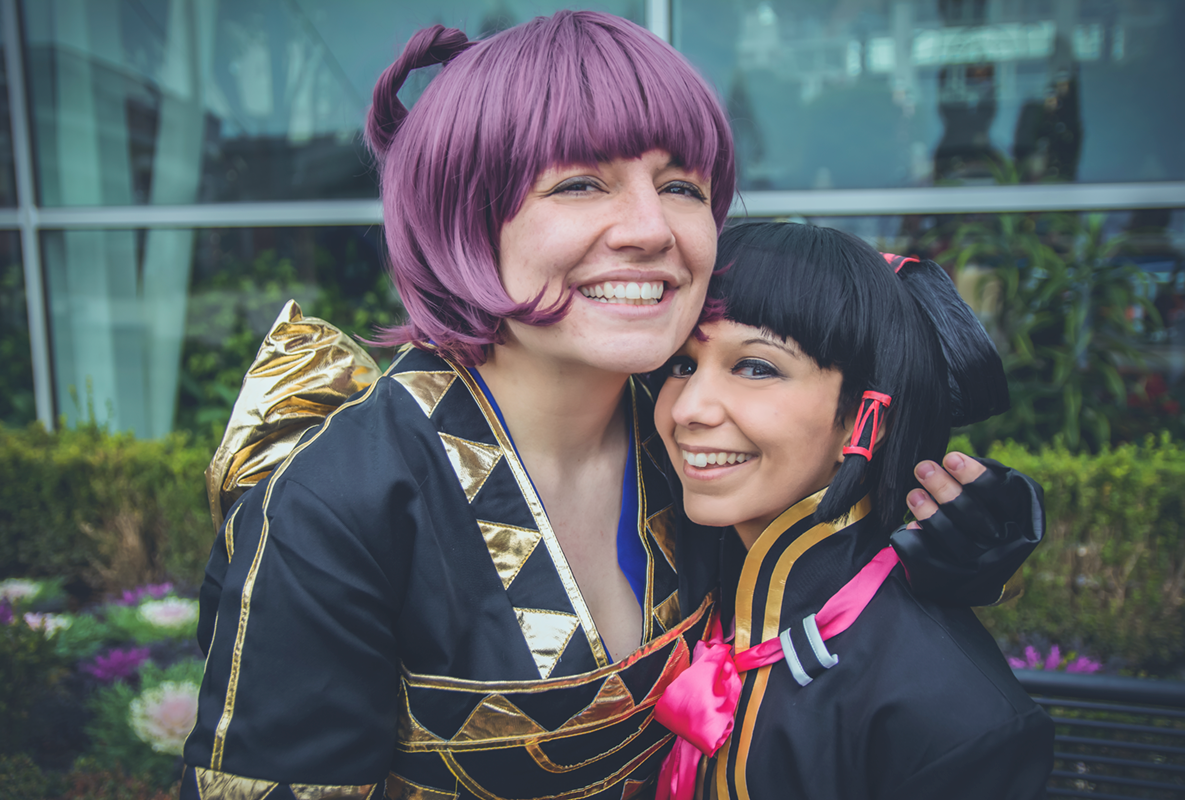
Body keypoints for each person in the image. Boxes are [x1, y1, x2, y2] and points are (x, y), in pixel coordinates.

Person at [182, 12, 1044, 799]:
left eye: (682, 186)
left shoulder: (684, 430)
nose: (650, 228)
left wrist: (954, 540)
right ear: (462, 220)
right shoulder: (339, 503)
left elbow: (836, 553)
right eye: (580, 185)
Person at [652, 222, 1054, 800]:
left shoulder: (950, 719)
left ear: (867, 419)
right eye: (681, 364)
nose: (688, 408)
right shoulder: (677, 577)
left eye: (756, 367)